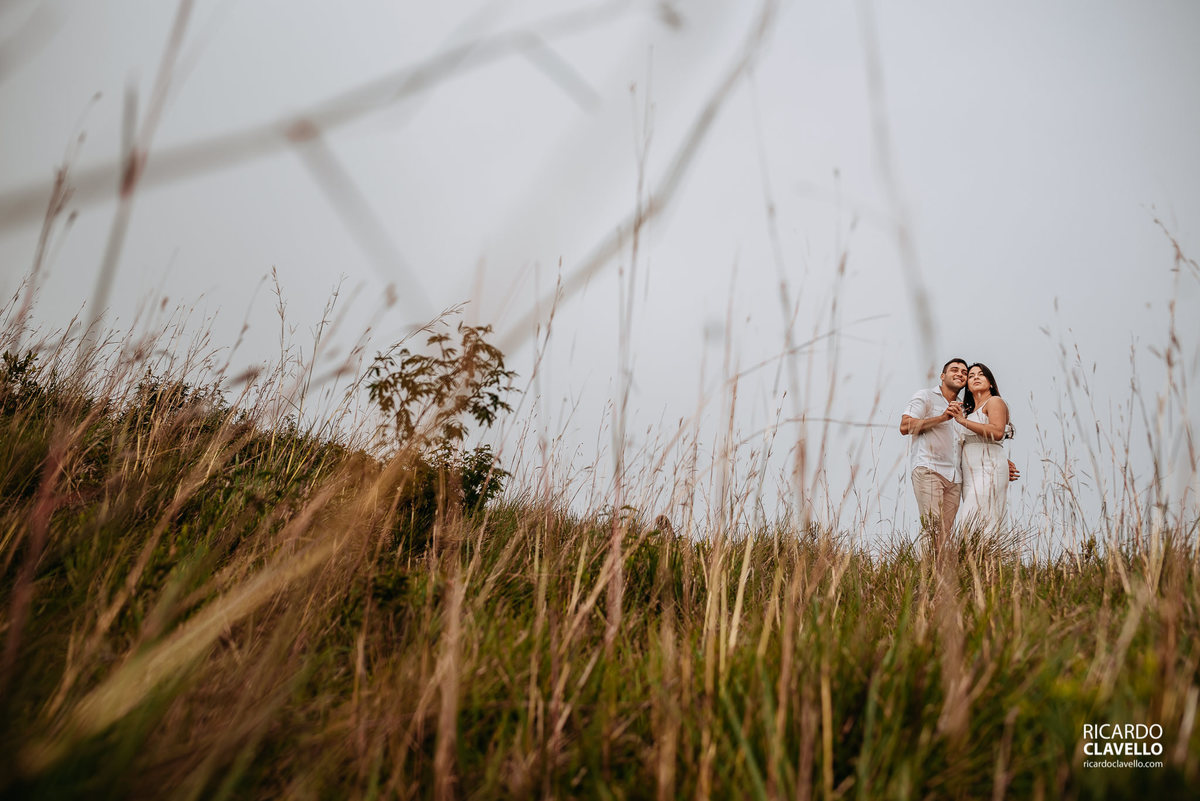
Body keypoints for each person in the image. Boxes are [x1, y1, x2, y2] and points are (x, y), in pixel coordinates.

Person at [900, 358, 1018, 546]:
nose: (962, 375)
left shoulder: (964, 410)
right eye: (956, 370)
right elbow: (905, 426)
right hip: (931, 469)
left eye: (966, 373)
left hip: (957, 477)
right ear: (942, 375)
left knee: (955, 528)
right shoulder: (927, 397)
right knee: (935, 528)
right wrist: (942, 418)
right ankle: (929, 571)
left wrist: (1000, 460)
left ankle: (980, 565)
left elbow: (984, 435)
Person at [949, 362, 1014, 533]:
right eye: (971, 376)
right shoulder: (968, 412)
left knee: (972, 517)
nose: (975, 377)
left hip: (989, 468)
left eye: (981, 374)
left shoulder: (994, 402)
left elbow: (997, 432)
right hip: (970, 473)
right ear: (968, 387)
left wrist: (962, 421)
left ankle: (983, 556)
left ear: (991, 382)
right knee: (978, 520)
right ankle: (980, 559)